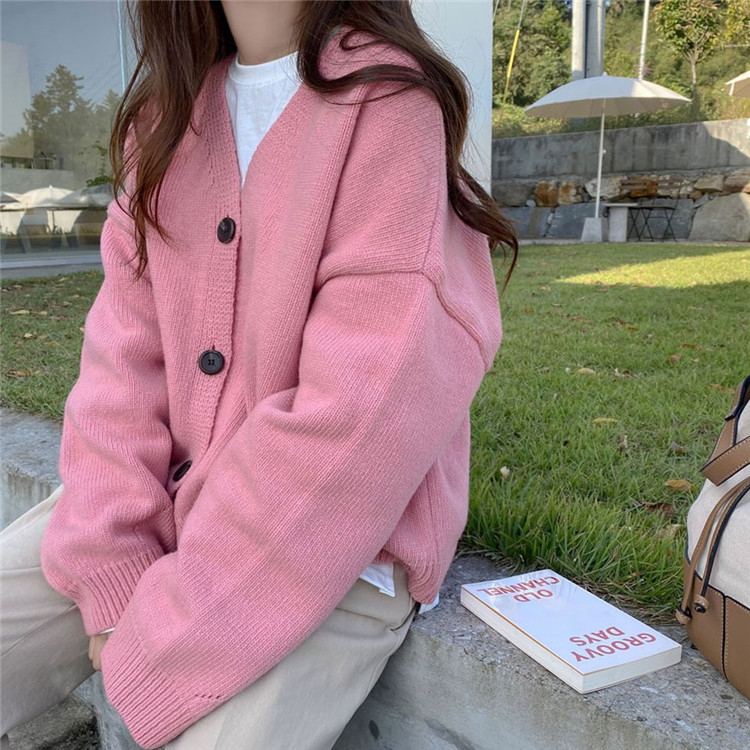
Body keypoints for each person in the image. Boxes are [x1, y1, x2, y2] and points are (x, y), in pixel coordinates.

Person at [0, 1, 517, 748]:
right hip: (167, 498)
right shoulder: (163, 123)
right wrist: (113, 569)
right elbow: (119, 373)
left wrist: (168, 634)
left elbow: (362, 416)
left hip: (334, 540)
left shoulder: (389, 102)